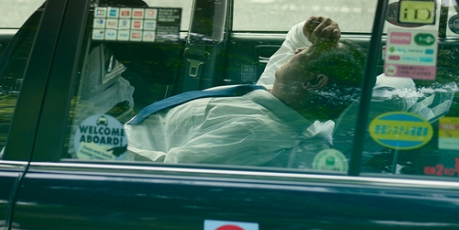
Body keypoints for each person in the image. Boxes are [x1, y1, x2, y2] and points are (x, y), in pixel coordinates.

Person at [125, 16, 366, 167]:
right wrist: (312, 28)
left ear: (313, 81)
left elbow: (171, 170)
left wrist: (107, 148)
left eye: (307, 52)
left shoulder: (252, 134)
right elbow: (293, 41)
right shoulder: (279, 97)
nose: (297, 51)